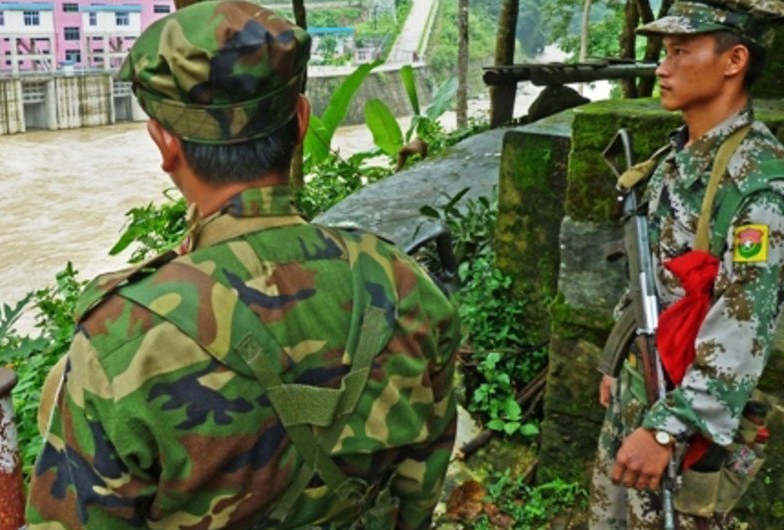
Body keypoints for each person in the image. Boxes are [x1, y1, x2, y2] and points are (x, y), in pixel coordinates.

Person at [25, 2, 461, 528]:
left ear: (165, 145)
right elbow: (417, 494)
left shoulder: (122, 346)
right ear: (302, 121)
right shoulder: (409, 288)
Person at [590, 1, 784, 529]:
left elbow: (742, 330)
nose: (663, 67)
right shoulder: (678, 157)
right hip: (640, 388)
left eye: (681, 51)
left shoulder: (760, 187)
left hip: (684, 423)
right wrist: (617, 360)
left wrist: (667, 429)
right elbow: (654, 274)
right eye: (664, 52)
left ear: (733, 60)